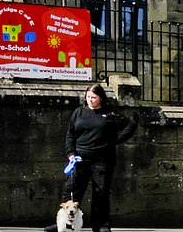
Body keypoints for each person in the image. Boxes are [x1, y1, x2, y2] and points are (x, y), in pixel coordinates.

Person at [51, 83, 137, 232]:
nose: (90, 100)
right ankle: (63, 224)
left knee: (101, 193)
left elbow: (130, 125)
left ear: (101, 98)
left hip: (103, 161)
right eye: (88, 97)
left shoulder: (110, 113)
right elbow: (70, 134)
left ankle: (101, 225)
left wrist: (115, 141)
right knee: (71, 191)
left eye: (94, 97)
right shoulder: (78, 112)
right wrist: (71, 153)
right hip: (79, 159)